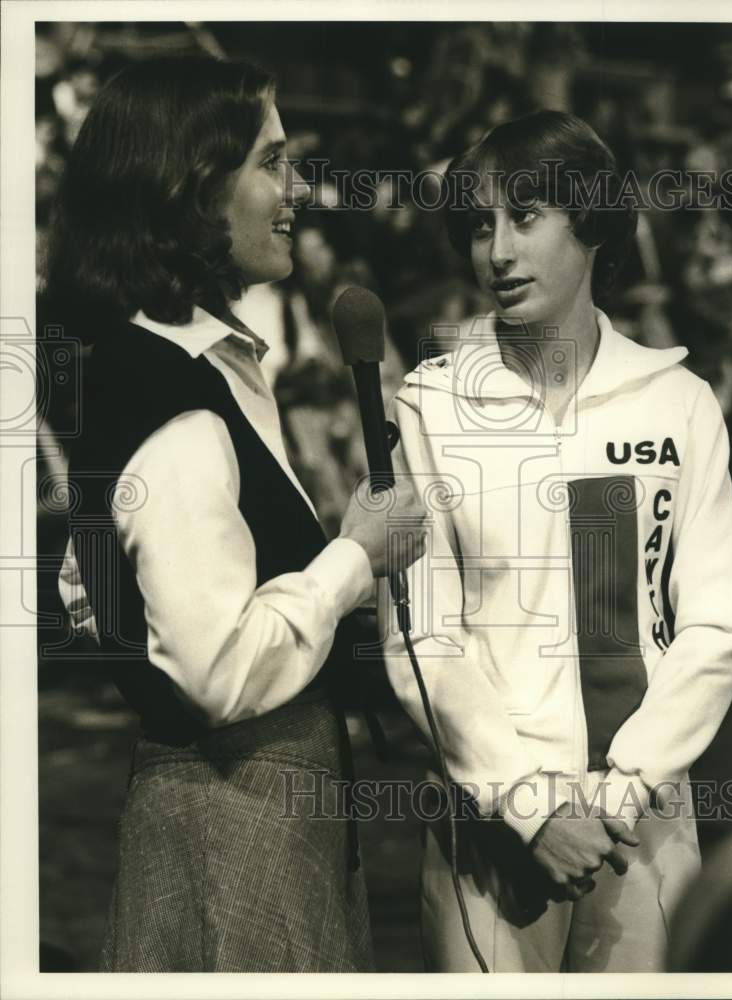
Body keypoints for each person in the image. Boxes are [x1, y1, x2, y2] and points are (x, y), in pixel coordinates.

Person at [47, 54, 426, 972]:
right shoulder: (170, 396)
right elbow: (215, 672)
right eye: (270, 161)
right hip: (235, 823)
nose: (297, 189)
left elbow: (91, 593)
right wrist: (352, 557)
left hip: (242, 808)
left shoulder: (171, 365)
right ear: (187, 186)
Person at [382, 110, 732, 972]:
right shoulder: (432, 403)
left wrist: (617, 796)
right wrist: (530, 809)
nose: (497, 253)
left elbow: (714, 625)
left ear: (590, 225)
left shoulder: (678, 400)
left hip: (642, 830)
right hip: (491, 832)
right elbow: (419, 634)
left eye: (525, 216)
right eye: (478, 224)